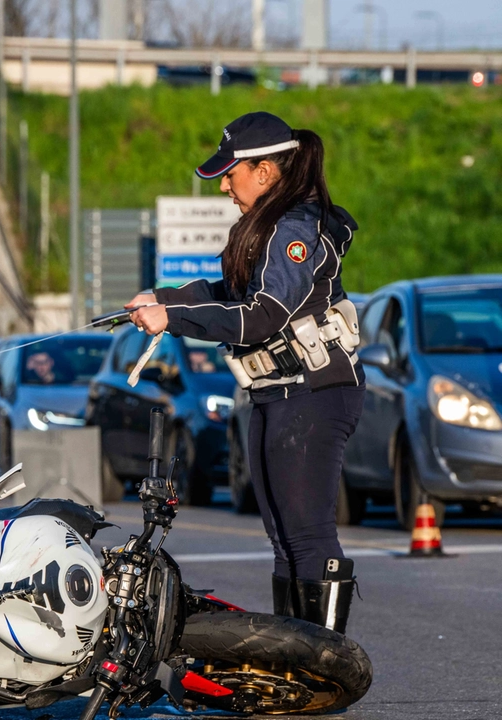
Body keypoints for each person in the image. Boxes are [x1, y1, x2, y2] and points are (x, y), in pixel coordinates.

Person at [127, 112, 363, 634]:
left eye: (231, 173)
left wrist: (174, 317)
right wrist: (161, 298)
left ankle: (324, 660)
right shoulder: (266, 227)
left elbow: (262, 314)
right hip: (274, 393)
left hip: (315, 392)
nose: (226, 186)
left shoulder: (297, 229)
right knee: (282, 539)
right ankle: (295, 660)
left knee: (307, 534)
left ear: (265, 171)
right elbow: (229, 292)